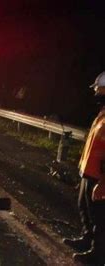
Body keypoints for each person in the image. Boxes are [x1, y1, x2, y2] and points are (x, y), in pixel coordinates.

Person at [63, 71, 105, 264]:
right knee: (84, 209)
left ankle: (97, 254)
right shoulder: (102, 114)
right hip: (88, 173)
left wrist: (103, 183)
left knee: (100, 218)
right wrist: (82, 171)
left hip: (100, 177)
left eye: (98, 89)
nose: (96, 93)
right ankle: (86, 239)